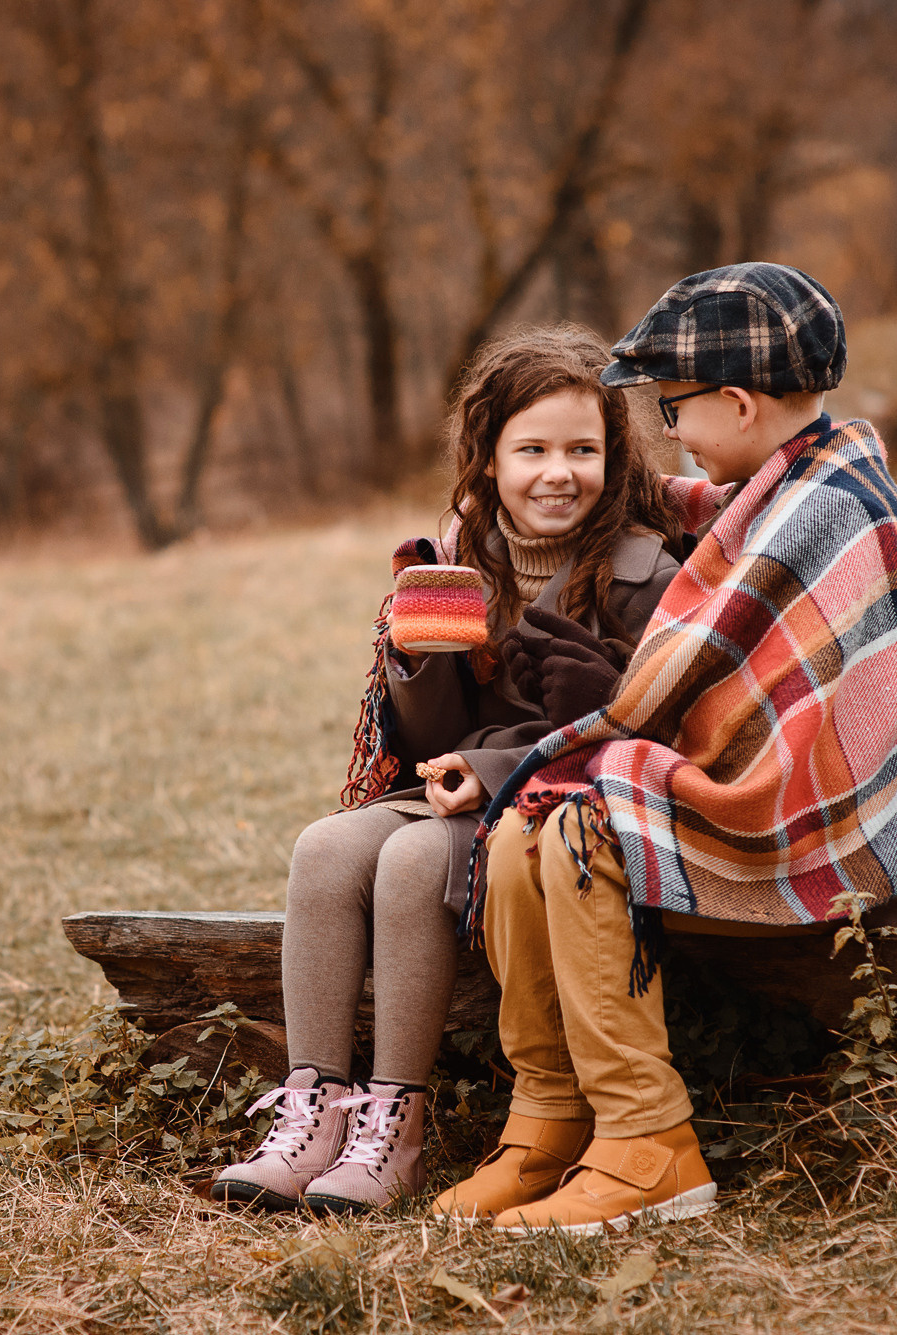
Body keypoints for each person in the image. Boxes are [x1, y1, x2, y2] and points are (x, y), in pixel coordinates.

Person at [435, 262, 897, 1234]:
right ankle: (549, 1116)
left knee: (579, 828)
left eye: (672, 407)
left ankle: (649, 1144)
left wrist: (610, 711)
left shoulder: (824, 512)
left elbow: (725, 697)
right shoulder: (790, 473)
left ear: (732, 402)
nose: (668, 429)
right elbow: (666, 498)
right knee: (527, 830)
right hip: (774, 807)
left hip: (825, 840)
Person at [209, 325, 687, 1214]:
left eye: (583, 450)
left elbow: (621, 721)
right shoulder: (467, 557)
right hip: (452, 784)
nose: (558, 471)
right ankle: (313, 1110)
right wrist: (419, 652)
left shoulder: (639, 572)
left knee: (412, 861)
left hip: (557, 797)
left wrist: (487, 765)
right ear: (489, 457)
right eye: (532, 448)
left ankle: (397, 1124)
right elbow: (426, 733)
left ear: (614, 459)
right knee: (324, 847)